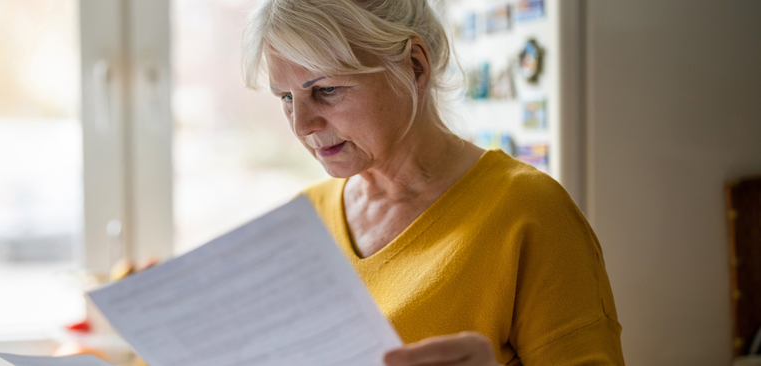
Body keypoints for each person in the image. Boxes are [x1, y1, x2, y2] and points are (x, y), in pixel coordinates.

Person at [241, 0, 625, 365]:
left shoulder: (530, 212)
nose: (301, 124)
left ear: (415, 67)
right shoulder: (305, 218)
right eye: (286, 98)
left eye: (325, 90)